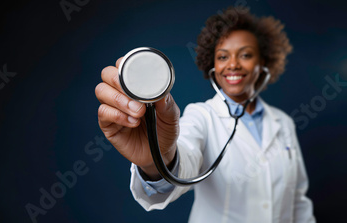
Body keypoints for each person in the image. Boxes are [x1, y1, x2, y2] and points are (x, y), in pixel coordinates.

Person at [94, 6, 315, 222]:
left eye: (245, 55)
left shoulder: (283, 122)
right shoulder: (201, 115)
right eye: (222, 57)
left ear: (262, 63)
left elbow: (298, 201)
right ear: (212, 65)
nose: (233, 65)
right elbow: (185, 162)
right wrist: (156, 160)